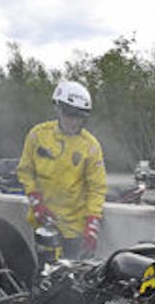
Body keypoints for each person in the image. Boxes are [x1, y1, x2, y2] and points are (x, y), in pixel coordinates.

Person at [16, 81, 107, 259]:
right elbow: (25, 172)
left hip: (75, 229)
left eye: (79, 117)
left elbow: (97, 188)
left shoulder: (91, 146)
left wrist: (92, 223)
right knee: (45, 273)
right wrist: (36, 202)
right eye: (69, 115)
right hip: (44, 223)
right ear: (58, 109)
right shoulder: (37, 135)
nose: (74, 122)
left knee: (74, 279)